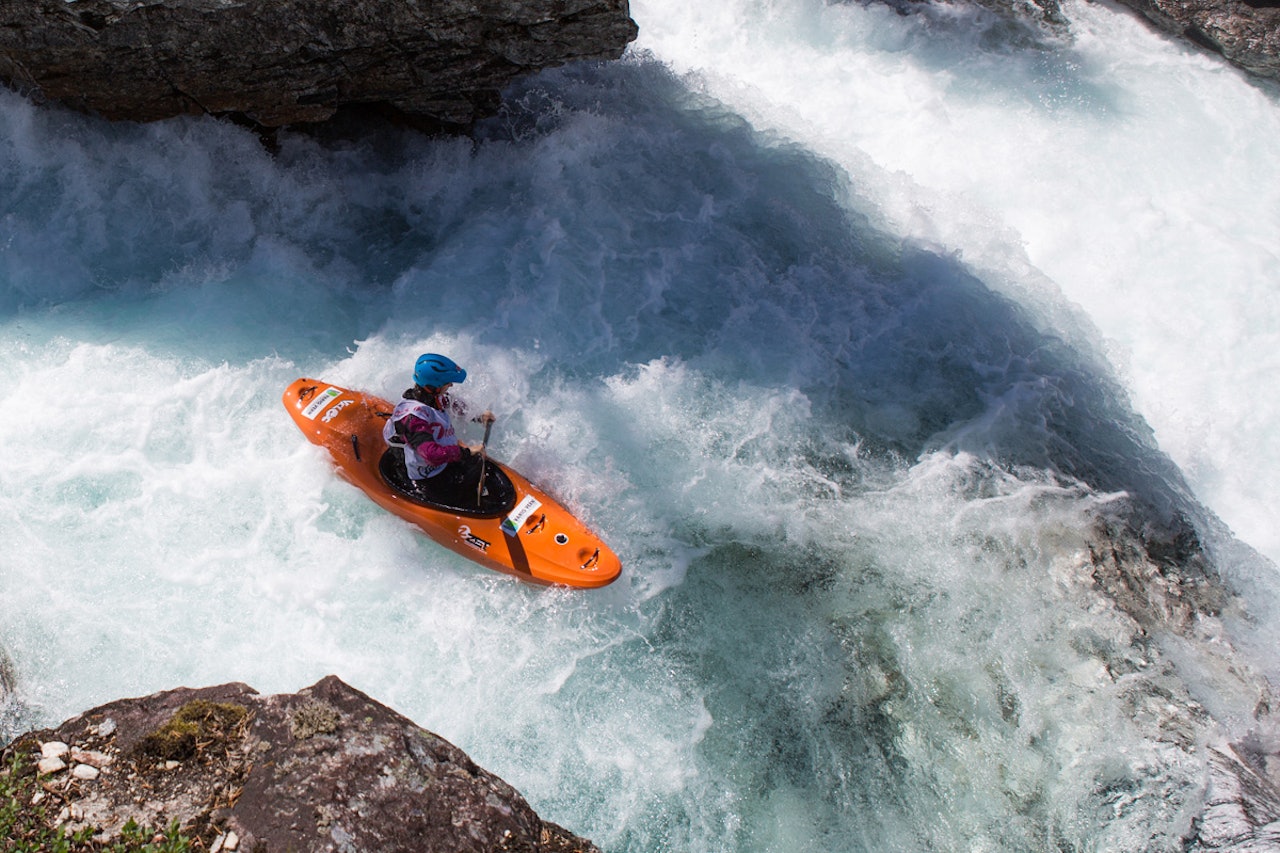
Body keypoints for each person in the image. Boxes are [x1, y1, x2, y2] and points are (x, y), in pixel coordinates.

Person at [382, 353, 491, 505]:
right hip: (424, 476)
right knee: (459, 498)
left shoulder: (433, 395)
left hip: (437, 459)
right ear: (434, 386)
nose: (451, 385)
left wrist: (479, 417)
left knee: (477, 463)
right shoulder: (413, 419)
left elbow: (453, 404)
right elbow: (430, 455)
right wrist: (466, 452)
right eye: (448, 383)